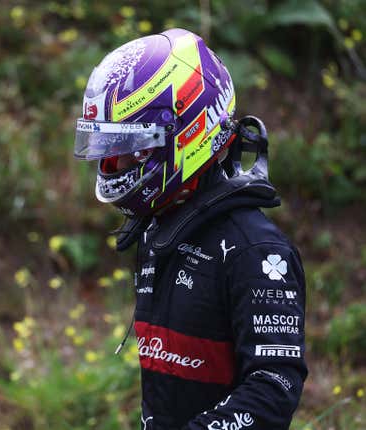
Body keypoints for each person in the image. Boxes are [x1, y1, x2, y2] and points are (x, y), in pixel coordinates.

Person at [73, 28, 307, 429]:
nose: (115, 166)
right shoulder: (158, 230)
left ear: (187, 134)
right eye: (109, 153)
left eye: (128, 152)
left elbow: (273, 386)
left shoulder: (257, 251)